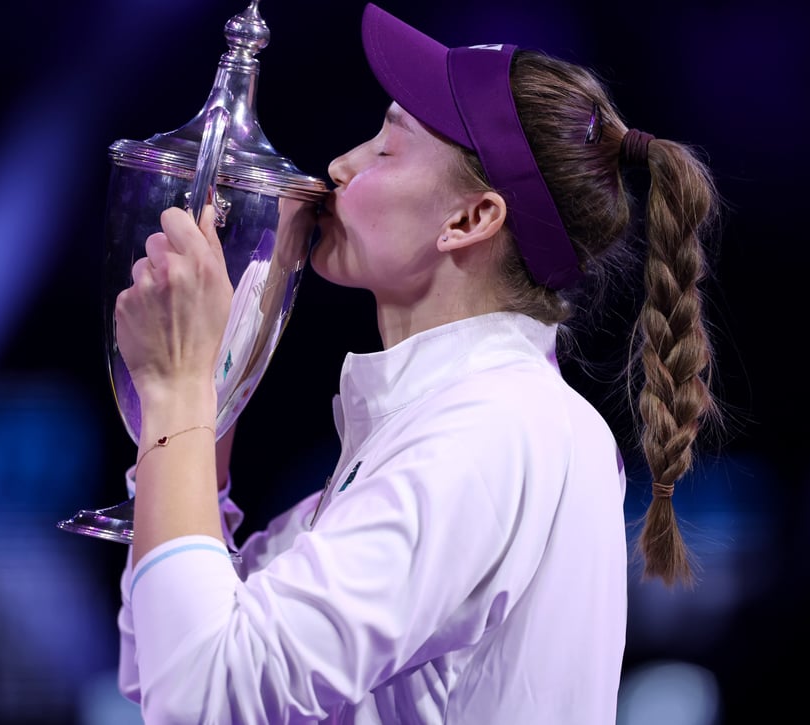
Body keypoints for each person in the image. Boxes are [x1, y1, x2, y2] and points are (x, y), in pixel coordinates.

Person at [111, 3, 721, 722]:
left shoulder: (492, 433)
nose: (339, 164)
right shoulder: (459, 425)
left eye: (385, 149)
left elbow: (200, 693)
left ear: (470, 220)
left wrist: (179, 389)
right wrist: (217, 375)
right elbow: (162, 658)